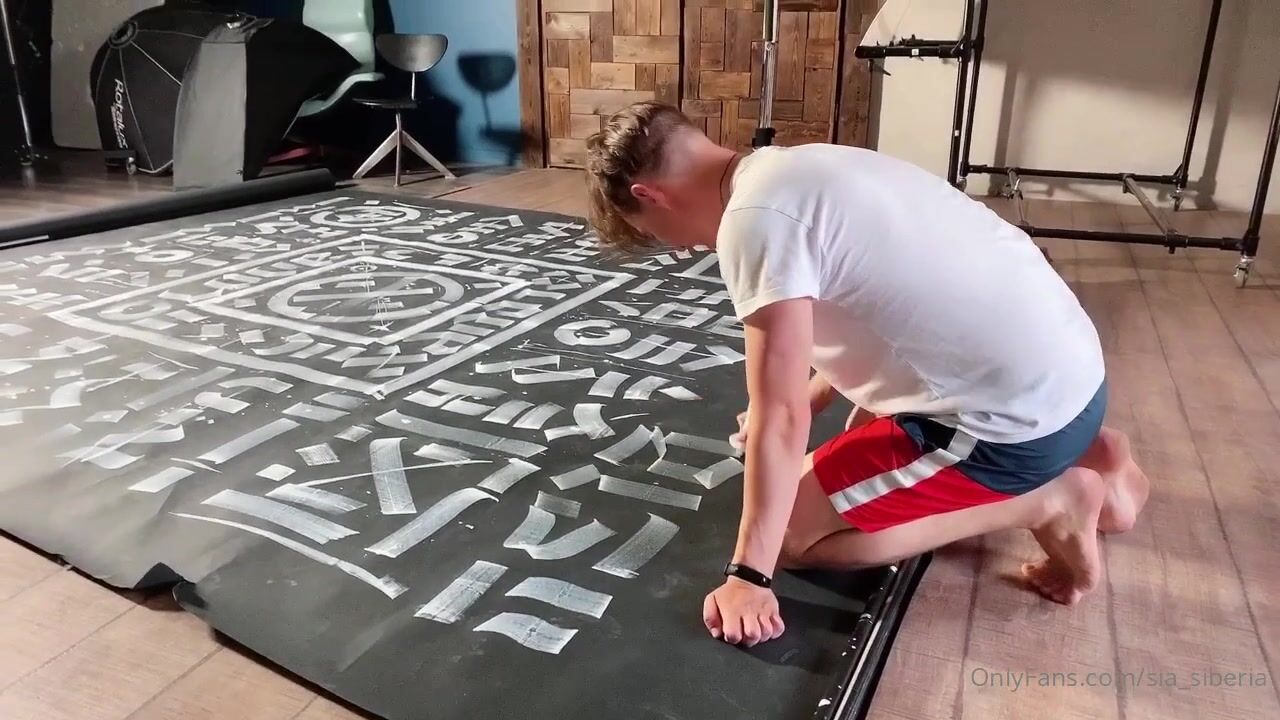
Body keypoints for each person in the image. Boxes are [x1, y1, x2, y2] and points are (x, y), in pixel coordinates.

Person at [583, 101, 1150, 649]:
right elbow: (886, 303)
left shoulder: (753, 223)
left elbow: (779, 416)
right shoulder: (809, 163)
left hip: (1011, 429)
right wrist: (813, 394)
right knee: (838, 443)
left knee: (788, 532)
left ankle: (1049, 498)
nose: (682, 248)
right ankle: (1096, 452)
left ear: (650, 195)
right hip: (1077, 384)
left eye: (656, 233)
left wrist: (750, 576)